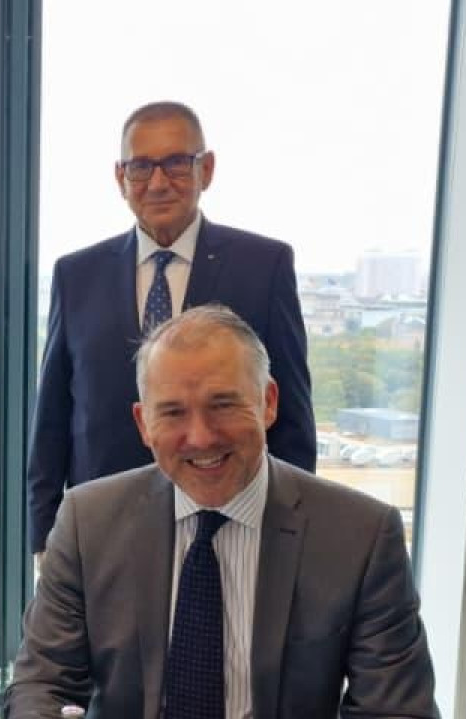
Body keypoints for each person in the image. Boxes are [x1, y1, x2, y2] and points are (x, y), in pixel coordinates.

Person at [3, 304, 442, 719]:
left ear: (268, 402)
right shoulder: (87, 519)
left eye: (224, 405)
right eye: (173, 413)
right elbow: (41, 686)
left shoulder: (359, 533)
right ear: (143, 423)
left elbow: (400, 718)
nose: (201, 437)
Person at [26, 101, 314, 555]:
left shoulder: (264, 267)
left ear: (207, 169)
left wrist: (292, 537)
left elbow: (291, 415)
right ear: (121, 178)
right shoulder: (76, 275)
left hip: (229, 523)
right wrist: (44, 538)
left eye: (177, 163)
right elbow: (53, 419)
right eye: (141, 167)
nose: (158, 183)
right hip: (104, 526)